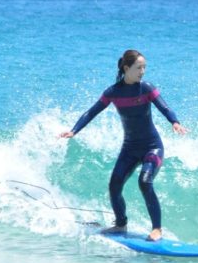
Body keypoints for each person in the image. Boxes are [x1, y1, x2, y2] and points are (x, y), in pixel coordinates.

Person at [60, 50, 188, 241]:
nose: (143, 71)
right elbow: (91, 112)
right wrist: (74, 130)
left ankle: (157, 229)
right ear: (126, 68)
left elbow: (165, 107)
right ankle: (121, 224)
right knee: (114, 186)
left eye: (144, 67)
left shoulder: (146, 88)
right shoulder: (113, 92)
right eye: (139, 67)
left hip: (152, 147)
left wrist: (174, 122)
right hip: (129, 149)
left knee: (145, 181)